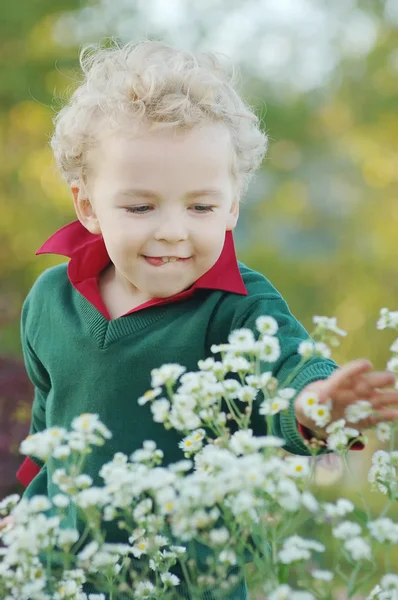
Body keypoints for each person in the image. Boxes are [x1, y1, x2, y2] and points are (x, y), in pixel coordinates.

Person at [2, 39, 398, 599]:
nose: (172, 230)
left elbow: (290, 369)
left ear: (233, 204)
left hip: (190, 582)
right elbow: (52, 436)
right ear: (87, 204)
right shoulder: (50, 301)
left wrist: (318, 406)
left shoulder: (238, 307)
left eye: (201, 207)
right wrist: (31, 518)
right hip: (68, 578)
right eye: (140, 207)